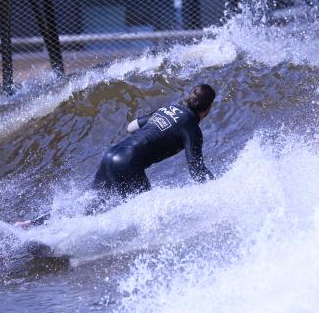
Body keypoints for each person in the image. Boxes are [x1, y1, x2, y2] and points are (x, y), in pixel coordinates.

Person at [16, 84, 216, 228]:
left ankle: (32, 224)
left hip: (112, 155)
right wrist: (217, 193)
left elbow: (131, 127)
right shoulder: (191, 129)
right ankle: (73, 237)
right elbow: (196, 169)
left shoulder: (169, 108)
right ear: (208, 108)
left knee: (89, 204)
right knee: (144, 213)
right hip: (129, 164)